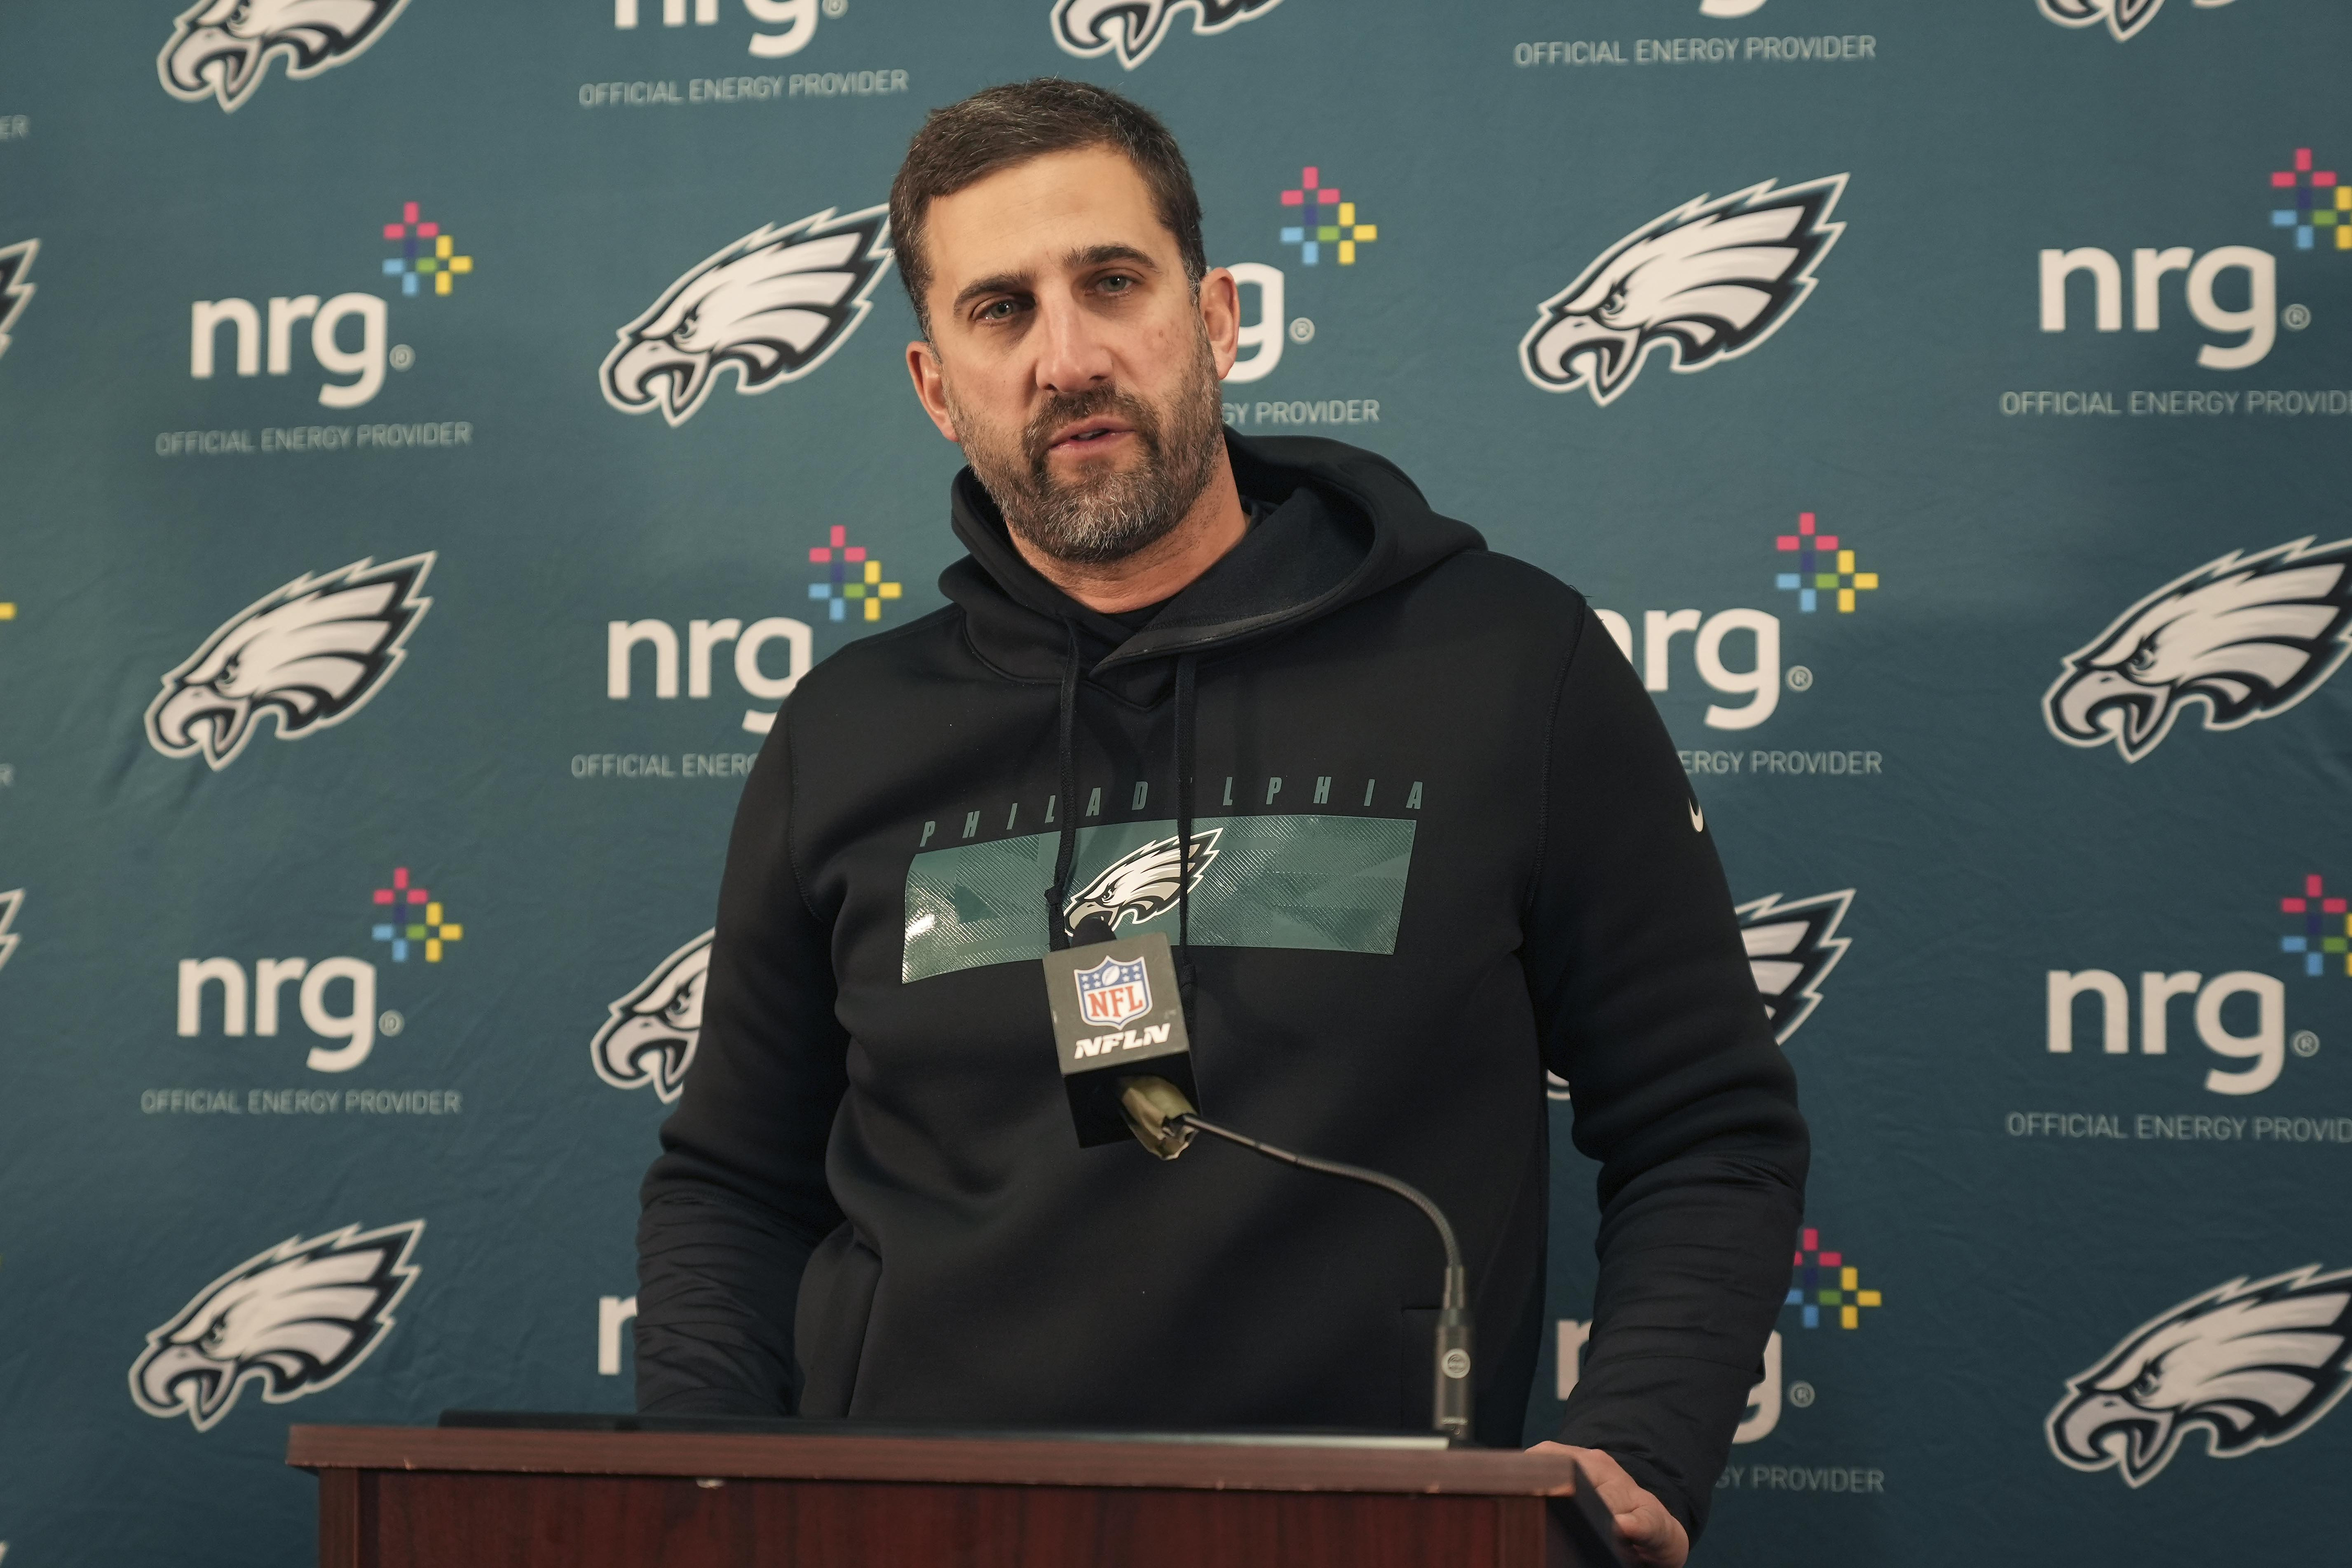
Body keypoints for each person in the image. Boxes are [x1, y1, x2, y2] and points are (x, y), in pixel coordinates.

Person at [634, 78, 1807, 1567]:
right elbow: (734, 1182)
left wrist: (1634, 1443)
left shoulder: (1509, 667)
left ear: (1220, 317)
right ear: (940, 385)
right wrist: (701, 1503)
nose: (1067, 357)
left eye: (1111, 283)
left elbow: (1709, 1125)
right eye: (1001, 311)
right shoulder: (848, 732)